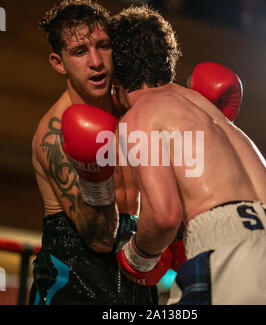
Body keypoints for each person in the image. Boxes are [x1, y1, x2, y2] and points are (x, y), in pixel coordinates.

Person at [110, 6, 266, 304]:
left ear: (115, 83)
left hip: (231, 255)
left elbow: (163, 215)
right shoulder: (207, 109)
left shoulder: (138, 116)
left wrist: (137, 256)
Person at [29, 0, 157, 305]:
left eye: (103, 46)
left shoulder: (132, 112)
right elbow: (100, 239)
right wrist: (95, 175)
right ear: (58, 62)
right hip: (73, 284)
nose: (96, 61)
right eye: (79, 52)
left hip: (135, 280)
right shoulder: (54, 133)